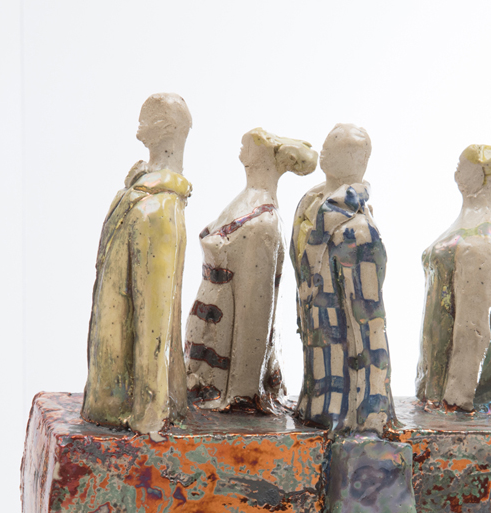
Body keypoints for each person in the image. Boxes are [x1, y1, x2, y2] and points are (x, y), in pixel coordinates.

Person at [83, 93, 193, 437]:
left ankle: (152, 406)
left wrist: (149, 416)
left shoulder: (158, 207)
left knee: (154, 319)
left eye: (146, 120)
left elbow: (154, 322)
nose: (138, 130)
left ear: (165, 128)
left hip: (129, 412)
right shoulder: (141, 195)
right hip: (112, 398)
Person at [185, 129, 317, 413]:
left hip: (223, 355)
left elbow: (255, 314)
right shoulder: (246, 203)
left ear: (264, 158)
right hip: (209, 328)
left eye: (250, 145)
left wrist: (241, 392)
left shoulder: (264, 223)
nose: (241, 148)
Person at [291, 124, 395, 435]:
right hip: (316, 365)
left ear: (360, 161)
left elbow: (370, 325)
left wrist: (371, 413)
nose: (324, 151)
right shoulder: (311, 204)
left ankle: (355, 415)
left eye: (337, 147)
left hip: (345, 398)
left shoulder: (358, 231)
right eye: (327, 143)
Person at [416, 142, 491, 412]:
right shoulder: (466, 225)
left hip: (457, 403)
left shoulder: (481, 238)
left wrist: (457, 399)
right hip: (436, 387)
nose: (456, 173)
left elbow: (473, 327)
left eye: (462, 167)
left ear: (479, 174)